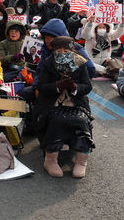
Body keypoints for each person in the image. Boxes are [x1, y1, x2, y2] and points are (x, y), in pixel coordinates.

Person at [32, 36, 93, 178]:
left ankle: (81, 161)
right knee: (57, 120)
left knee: (81, 120)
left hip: (76, 102)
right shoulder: (48, 63)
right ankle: (50, 160)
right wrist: (57, 87)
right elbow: (41, 86)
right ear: (54, 50)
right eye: (59, 49)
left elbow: (88, 86)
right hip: (52, 103)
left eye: (66, 50)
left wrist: (75, 87)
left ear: (72, 50)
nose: (63, 52)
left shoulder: (80, 63)